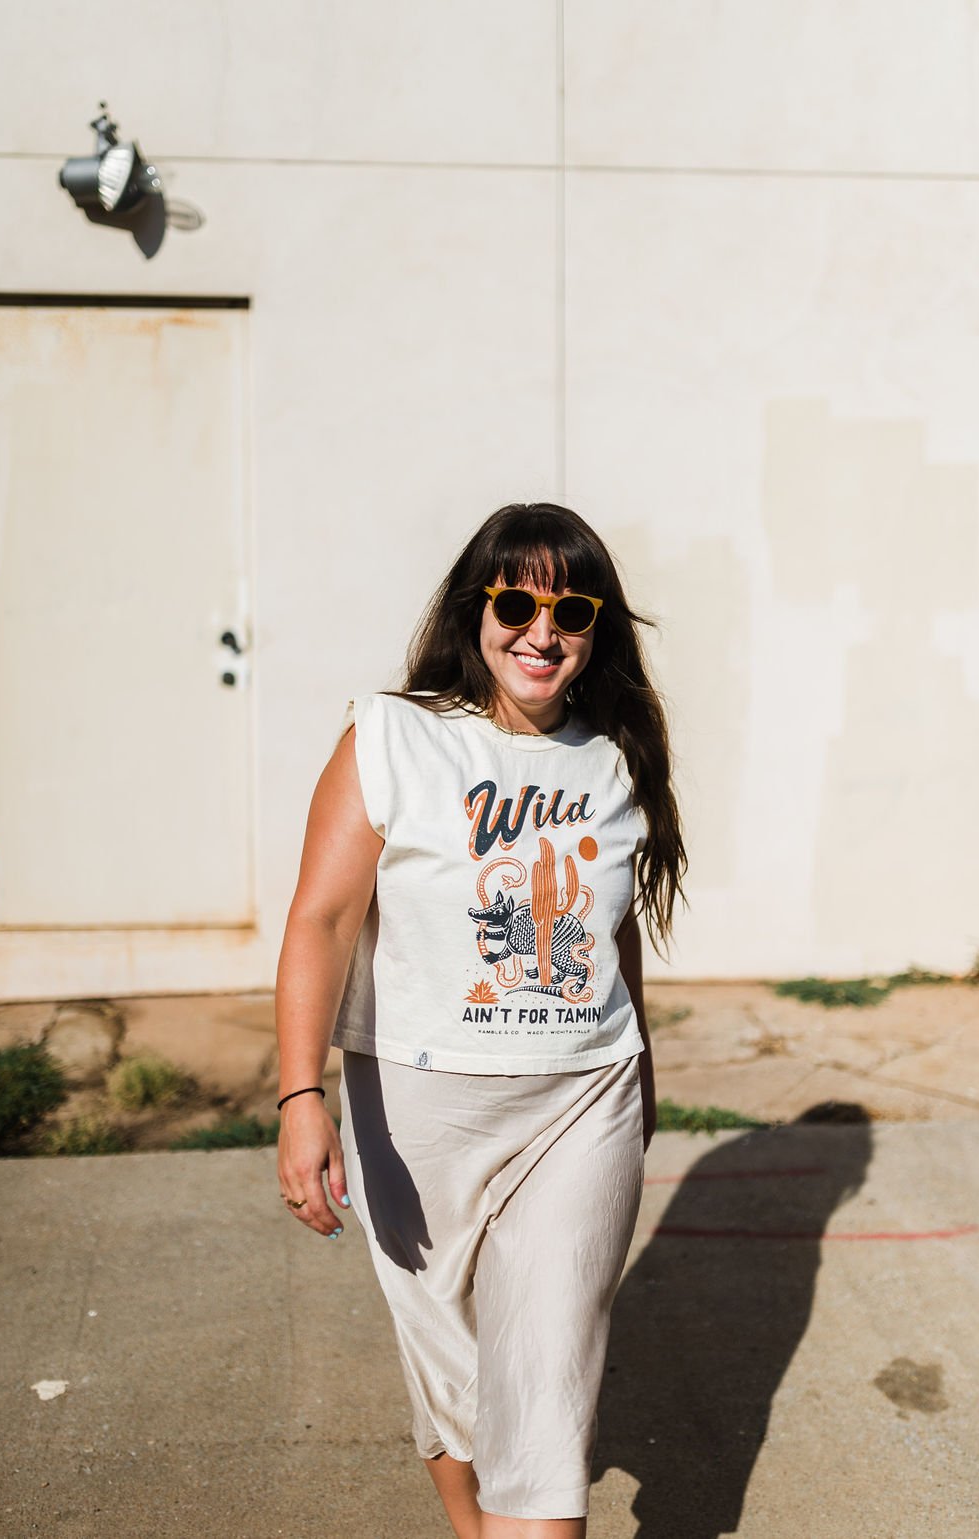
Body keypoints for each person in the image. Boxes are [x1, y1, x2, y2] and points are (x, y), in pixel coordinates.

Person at [275, 502, 686, 1538]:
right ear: (476, 610)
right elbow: (321, 920)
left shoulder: (616, 758)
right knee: (455, 1386)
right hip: (413, 1111)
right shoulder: (391, 737)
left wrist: (639, 1071)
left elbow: (613, 932)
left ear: (596, 629)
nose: (541, 633)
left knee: (541, 1399)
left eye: (571, 611)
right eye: (516, 604)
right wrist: (298, 1096)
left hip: (581, 1102)